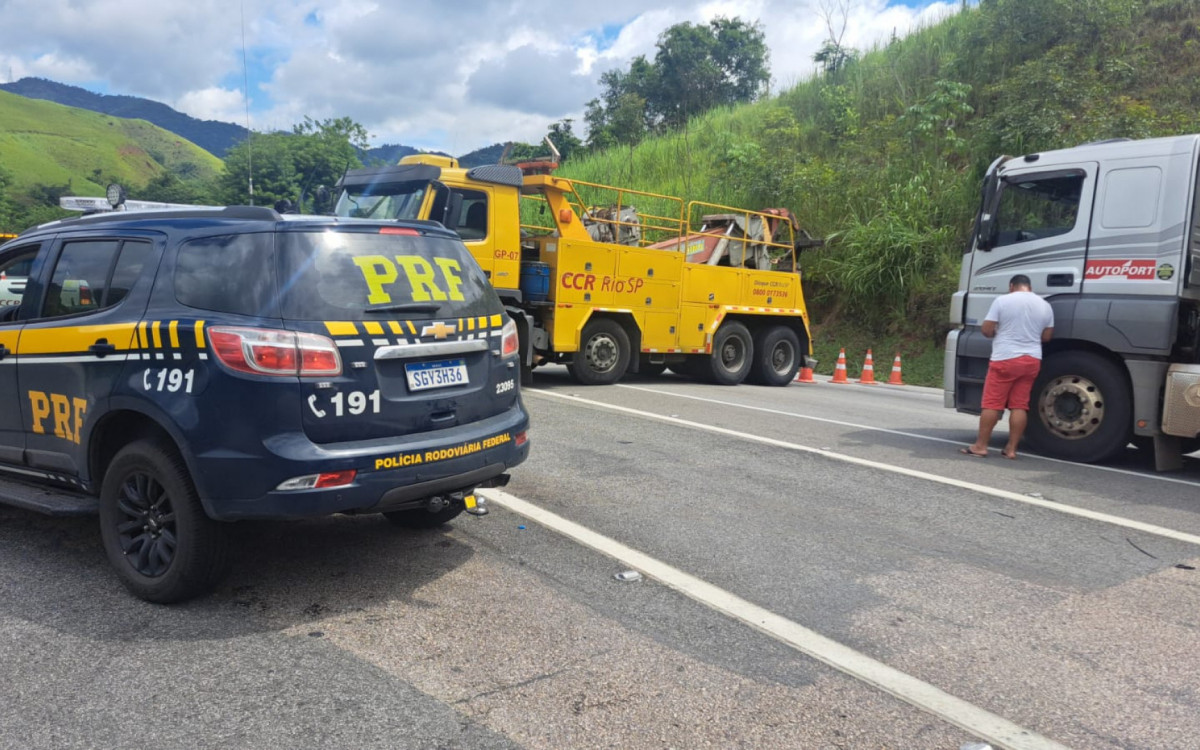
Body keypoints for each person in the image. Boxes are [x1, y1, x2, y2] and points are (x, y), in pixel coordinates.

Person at [961, 274, 1054, 460]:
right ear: (1029, 287)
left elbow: (987, 329)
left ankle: (980, 446)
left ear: (1012, 286)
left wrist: (999, 332)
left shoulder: (1002, 301)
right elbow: (1046, 337)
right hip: (1032, 360)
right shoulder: (1045, 305)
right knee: (1019, 406)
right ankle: (1011, 449)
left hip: (1005, 358)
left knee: (992, 404)